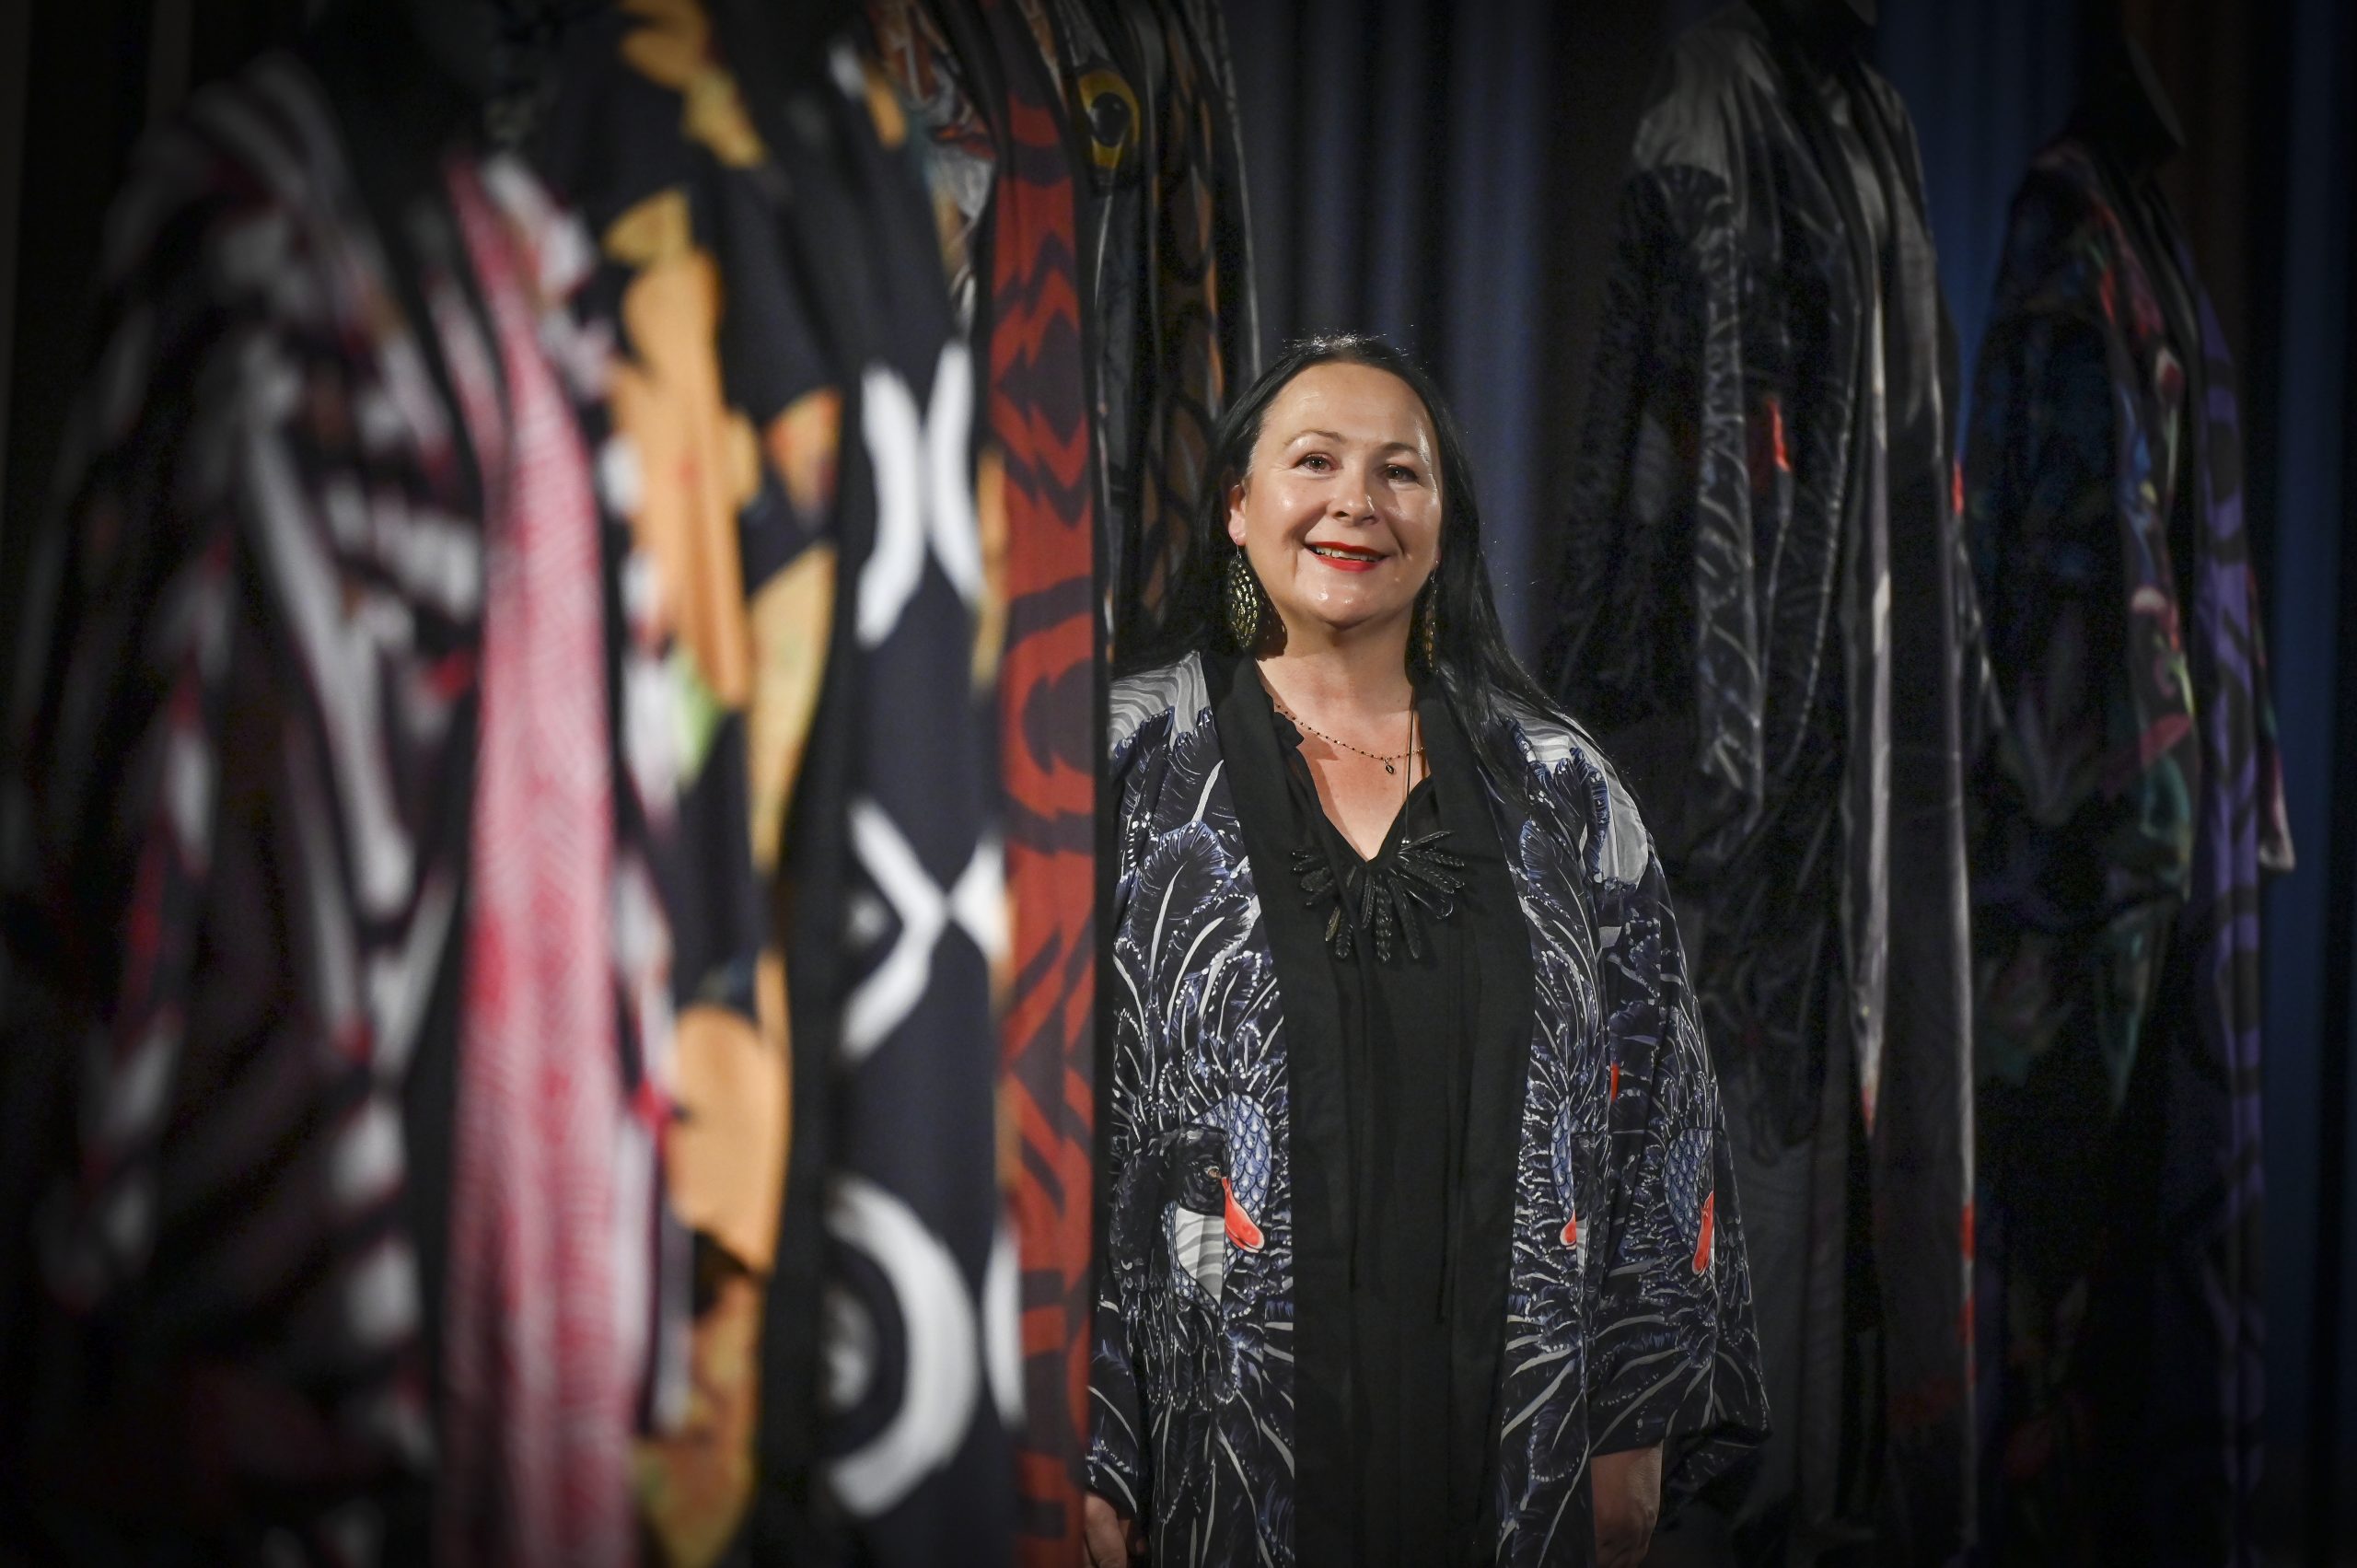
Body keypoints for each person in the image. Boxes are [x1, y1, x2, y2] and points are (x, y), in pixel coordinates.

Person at [1084, 335, 1768, 1568]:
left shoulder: (1562, 787)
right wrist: (1090, 1438)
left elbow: (1661, 1102)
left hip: (1511, 1447)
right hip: (1211, 1447)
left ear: (1444, 525)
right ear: (1237, 505)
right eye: (1314, 462)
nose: (1356, 500)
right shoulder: (1122, 763)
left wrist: (1633, 1419)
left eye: (1400, 472)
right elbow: (1044, 1115)